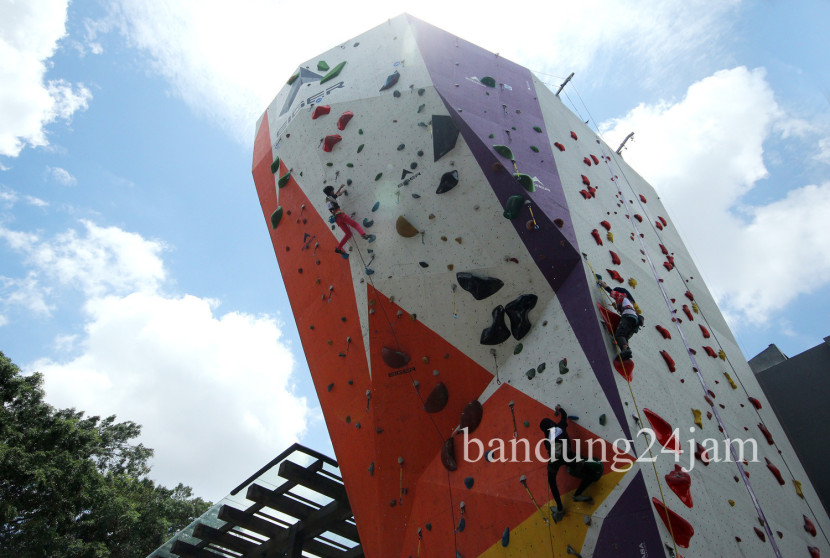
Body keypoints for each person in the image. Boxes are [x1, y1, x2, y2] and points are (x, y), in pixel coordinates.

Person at [540, 405, 571, 522]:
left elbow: (550, 453)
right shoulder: (560, 427)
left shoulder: (547, 440)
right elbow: (564, 416)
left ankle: (560, 508)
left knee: (552, 481)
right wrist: (559, 409)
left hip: (557, 459)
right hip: (568, 452)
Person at [598, 279, 641, 360]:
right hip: (635, 322)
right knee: (625, 337)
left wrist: (600, 281)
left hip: (628, 316)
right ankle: (627, 351)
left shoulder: (621, 295)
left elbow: (609, 290)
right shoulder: (629, 302)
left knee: (620, 334)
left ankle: (625, 350)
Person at [323, 184, 372, 257]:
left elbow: (336, 195)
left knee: (348, 234)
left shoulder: (327, 199)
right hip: (341, 215)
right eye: (332, 190)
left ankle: (338, 248)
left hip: (337, 219)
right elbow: (338, 194)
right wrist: (343, 190)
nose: (333, 191)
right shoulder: (331, 197)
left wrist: (340, 187)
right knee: (355, 225)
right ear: (330, 192)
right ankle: (363, 234)